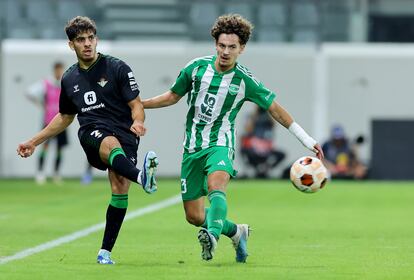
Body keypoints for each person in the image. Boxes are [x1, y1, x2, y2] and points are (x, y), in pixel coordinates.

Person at [142, 14, 324, 263]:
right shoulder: (195, 68)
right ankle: (236, 231)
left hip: (221, 143)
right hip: (192, 148)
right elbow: (172, 96)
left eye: (232, 47)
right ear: (215, 44)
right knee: (194, 216)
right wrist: (139, 105)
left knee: (217, 186)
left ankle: (212, 236)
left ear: (242, 48)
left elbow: (275, 110)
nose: (226, 52)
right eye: (222, 45)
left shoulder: (245, 80)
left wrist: (306, 139)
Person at [17, 16, 159, 265]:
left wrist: (138, 121)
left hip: (126, 131)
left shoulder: (117, 68)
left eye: (91, 38)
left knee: (119, 187)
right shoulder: (69, 79)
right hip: (92, 130)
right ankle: (142, 177)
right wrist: (34, 141)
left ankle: (105, 252)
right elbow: (64, 117)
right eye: (81, 40)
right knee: (109, 143)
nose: (87, 44)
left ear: (97, 39)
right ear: (71, 45)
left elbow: (136, 105)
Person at [25, 61, 68, 185]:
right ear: (54, 70)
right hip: (48, 121)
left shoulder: (65, 84)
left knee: (60, 149)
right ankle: (40, 173)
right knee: (44, 147)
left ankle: (56, 173)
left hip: (62, 121)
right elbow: (29, 92)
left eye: (61, 70)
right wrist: (41, 104)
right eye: (58, 70)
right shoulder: (46, 83)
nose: (59, 72)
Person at [240, 106, 286, 178]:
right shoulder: (252, 115)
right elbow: (248, 129)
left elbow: (274, 124)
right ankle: (258, 169)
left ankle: (265, 168)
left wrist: (268, 109)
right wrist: (255, 114)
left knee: (281, 154)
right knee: (246, 152)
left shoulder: (267, 117)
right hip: (253, 147)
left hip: (266, 148)